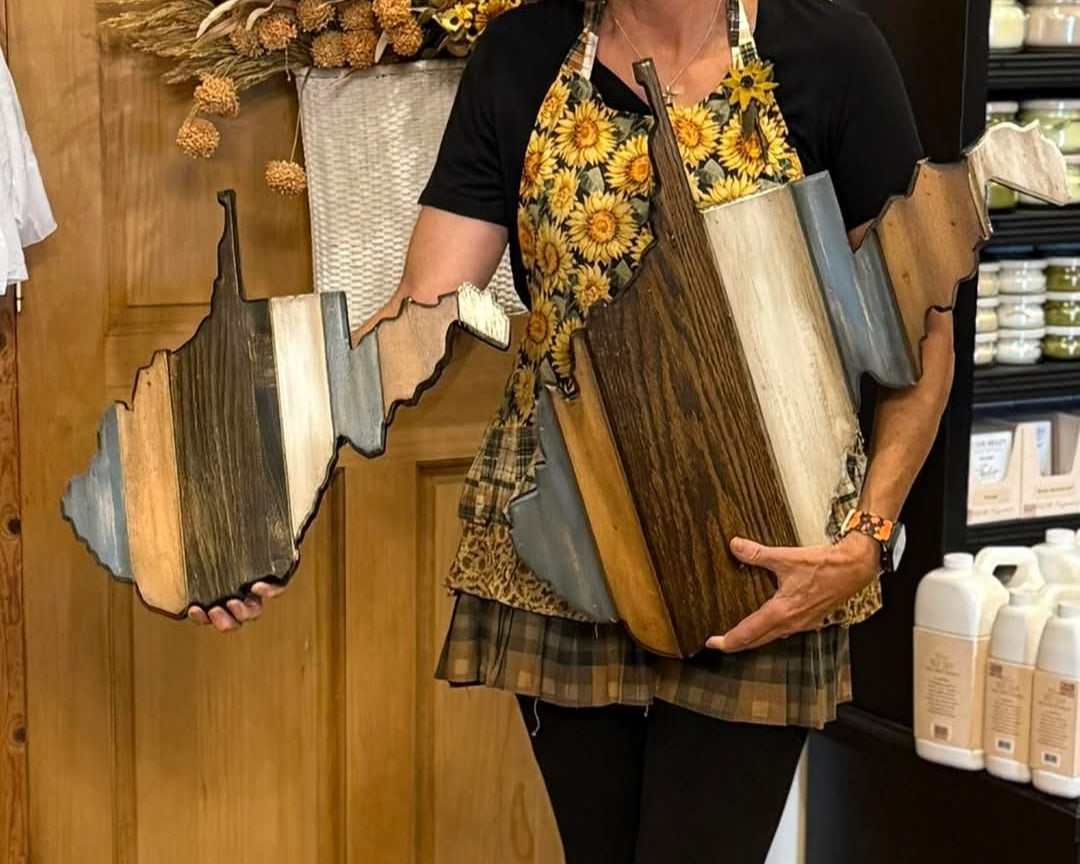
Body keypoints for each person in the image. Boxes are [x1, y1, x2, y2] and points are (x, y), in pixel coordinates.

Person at [190, 1, 954, 861]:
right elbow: (418, 315)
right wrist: (271, 485)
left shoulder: (832, 54)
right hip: (563, 529)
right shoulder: (524, 53)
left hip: (766, 553)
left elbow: (921, 335)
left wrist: (867, 538)